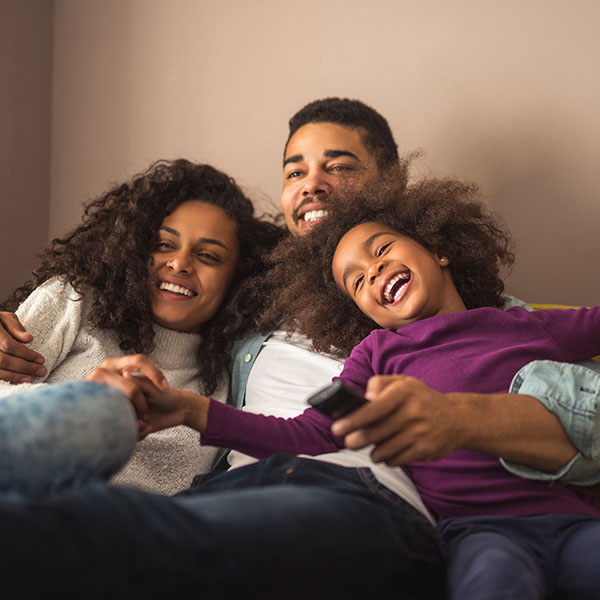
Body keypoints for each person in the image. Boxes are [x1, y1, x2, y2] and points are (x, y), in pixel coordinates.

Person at [0, 98, 597, 598]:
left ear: (392, 191)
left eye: (338, 165)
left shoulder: (486, 317)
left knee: (138, 537)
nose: (312, 183)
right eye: (294, 171)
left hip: (355, 496)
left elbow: (585, 426)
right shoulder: (242, 299)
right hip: (229, 487)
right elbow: (149, 288)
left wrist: (459, 416)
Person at [231, 174, 600, 599]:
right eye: (356, 282)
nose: (373, 271)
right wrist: (195, 412)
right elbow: (303, 432)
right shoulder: (376, 354)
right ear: (365, 313)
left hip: (572, 519)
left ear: (439, 250)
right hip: (479, 534)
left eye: (382, 249)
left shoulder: (521, 323)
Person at [0, 158, 284, 495]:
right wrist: (91, 404)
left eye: (208, 256)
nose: (179, 263)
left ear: (237, 278)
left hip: (118, 535)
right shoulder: (76, 300)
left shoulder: (226, 384)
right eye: (164, 245)